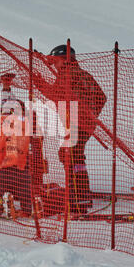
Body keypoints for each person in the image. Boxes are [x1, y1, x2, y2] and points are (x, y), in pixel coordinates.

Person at [33, 44, 107, 214]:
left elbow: (55, 94)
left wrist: (39, 83)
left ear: (64, 60)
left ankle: (76, 200)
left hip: (75, 121)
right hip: (87, 124)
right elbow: (102, 97)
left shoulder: (67, 73)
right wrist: (92, 113)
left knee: (69, 156)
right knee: (75, 157)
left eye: (56, 61)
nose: (55, 66)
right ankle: (82, 197)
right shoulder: (83, 74)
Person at [0, 99, 44, 219]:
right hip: (20, 168)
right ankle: (26, 211)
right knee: (25, 193)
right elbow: (37, 143)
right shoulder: (26, 123)